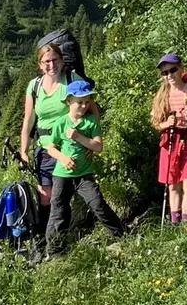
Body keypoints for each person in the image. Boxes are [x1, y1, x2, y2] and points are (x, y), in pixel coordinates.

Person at [41, 78, 127, 248]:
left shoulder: (91, 121)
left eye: (87, 102)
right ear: (69, 101)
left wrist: (78, 137)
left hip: (84, 174)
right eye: (79, 102)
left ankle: (122, 235)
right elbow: (51, 148)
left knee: (97, 204)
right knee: (58, 210)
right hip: (62, 174)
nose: (84, 106)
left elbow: (98, 146)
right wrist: (64, 158)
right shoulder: (60, 122)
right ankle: (55, 249)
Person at [21, 38, 75, 235]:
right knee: (45, 196)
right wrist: (23, 150)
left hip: (67, 146)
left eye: (55, 60)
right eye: (47, 62)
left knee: (59, 196)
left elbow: (90, 110)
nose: (52, 65)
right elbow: (28, 119)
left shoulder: (71, 81)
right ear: (40, 65)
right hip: (43, 147)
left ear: (61, 60)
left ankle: (58, 240)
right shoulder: (34, 86)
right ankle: (44, 238)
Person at [150, 52, 187, 225]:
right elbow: (155, 123)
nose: (169, 75)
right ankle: (175, 223)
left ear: (181, 69)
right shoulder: (162, 96)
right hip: (169, 142)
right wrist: (166, 124)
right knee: (172, 185)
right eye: (165, 73)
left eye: (172, 70)